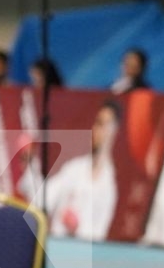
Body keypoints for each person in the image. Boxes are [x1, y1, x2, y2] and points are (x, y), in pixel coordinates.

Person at [37, 100, 121, 242]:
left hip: (80, 253)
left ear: (114, 131)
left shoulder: (109, 189)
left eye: (104, 125)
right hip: (56, 246)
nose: (97, 130)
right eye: (97, 123)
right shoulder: (73, 169)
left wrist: (77, 228)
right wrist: (29, 166)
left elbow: (99, 237)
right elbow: (43, 199)